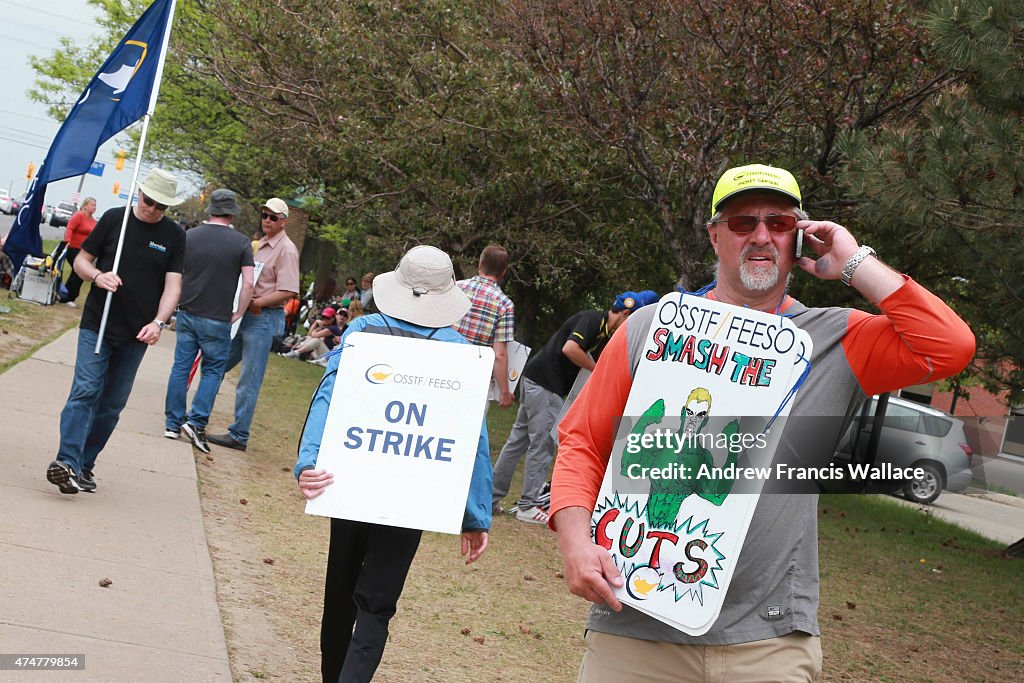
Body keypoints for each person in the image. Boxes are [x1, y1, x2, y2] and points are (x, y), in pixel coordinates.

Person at [550, 163, 975, 682]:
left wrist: (854, 262)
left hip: (769, 641)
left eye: (779, 224)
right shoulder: (651, 327)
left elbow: (950, 347)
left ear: (799, 238)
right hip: (635, 623)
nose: (760, 236)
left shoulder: (837, 338)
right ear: (714, 235)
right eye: (742, 222)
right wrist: (574, 541)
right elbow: (583, 443)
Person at [295, 245, 492, 683]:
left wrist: (308, 460)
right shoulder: (461, 350)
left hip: (351, 478)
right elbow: (472, 436)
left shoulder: (364, 331)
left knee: (340, 594)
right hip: (415, 490)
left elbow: (329, 393)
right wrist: (475, 514)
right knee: (377, 605)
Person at [46, 169, 186, 494]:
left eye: (160, 206)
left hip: (137, 333)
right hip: (98, 322)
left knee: (111, 404)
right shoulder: (113, 219)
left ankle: (84, 464)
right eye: (149, 201)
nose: (152, 209)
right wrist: (97, 276)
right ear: (140, 194)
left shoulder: (174, 235)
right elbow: (81, 260)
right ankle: (66, 461)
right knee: (85, 390)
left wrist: (159, 322)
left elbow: (173, 285)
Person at [492, 292, 641, 524]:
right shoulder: (593, 320)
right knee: (542, 444)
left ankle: (490, 499)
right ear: (625, 313)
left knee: (517, 442)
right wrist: (598, 369)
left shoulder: (604, 332)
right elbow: (570, 349)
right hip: (546, 385)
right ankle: (528, 505)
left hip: (536, 380)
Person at [163, 189, 255, 454]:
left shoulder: (189, 236)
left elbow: (176, 273)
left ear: (211, 210)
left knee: (180, 367)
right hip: (218, 316)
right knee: (213, 371)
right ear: (232, 212)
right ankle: (197, 421)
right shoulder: (241, 243)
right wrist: (239, 310)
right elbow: (248, 282)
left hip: (188, 311)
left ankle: (172, 422)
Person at [206, 197, 300, 452]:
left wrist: (259, 303)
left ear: (283, 221)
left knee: (249, 378)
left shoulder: (286, 249)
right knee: (217, 364)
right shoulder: (259, 244)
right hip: (244, 314)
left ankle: (239, 434)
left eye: (273, 217)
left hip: (264, 318)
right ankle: (198, 417)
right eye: (265, 215)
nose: (267, 220)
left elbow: (289, 289)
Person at [455, 245, 516, 408]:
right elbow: (499, 354)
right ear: (504, 272)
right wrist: (504, 392)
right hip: (477, 379)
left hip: (446, 369)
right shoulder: (504, 304)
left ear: (479, 264)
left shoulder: (456, 288)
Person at [59, 196, 97, 305]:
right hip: (73, 248)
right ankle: (67, 297)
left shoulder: (93, 220)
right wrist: (67, 242)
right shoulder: (79, 216)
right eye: (92, 205)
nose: (94, 208)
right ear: (85, 205)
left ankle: (69, 296)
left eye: (95, 206)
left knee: (80, 274)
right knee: (78, 272)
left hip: (84, 251)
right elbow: (70, 228)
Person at [281, 306, 346, 361]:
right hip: (323, 352)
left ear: (333, 318)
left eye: (328, 318)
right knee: (310, 338)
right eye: (324, 317)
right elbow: (309, 335)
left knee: (317, 340)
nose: (325, 319)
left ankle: (296, 352)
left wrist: (317, 325)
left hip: (330, 356)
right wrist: (315, 323)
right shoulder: (327, 326)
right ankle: (296, 351)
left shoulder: (333, 328)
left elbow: (314, 335)